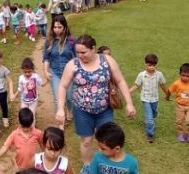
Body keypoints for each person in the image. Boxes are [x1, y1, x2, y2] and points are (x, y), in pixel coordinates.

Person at [55, 34, 135, 166]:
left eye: (83, 52)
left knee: (108, 140)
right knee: (86, 141)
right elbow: (63, 86)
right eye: (77, 52)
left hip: (105, 110)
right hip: (82, 111)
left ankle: (106, 165)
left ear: (93, 49)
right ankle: (88, 166)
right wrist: (60, 109)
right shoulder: (72, 65)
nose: (80, 55)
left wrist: (130, 104)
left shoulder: (107, 60)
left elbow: (120, 81)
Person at [129, 54, 168, 143]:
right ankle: (150, 135)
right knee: (150, 119)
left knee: (154, 114)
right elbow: (136, 85)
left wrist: (167, 94)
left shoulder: (159, 75)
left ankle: (148, 119)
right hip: (145, 99)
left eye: (154, 65)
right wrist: (128, 92)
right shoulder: (142, 75)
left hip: (155, 99)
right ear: (145, 64)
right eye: (149, 65)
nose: (151, 67)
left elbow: (162, 85)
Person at [43, 15, 75, 119]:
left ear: (65, 27)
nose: (57, 30)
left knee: (70, 97)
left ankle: (70, 110)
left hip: (69, 74)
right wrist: (46, 71)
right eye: (55, 27)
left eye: (59, 27)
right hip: (55, 72)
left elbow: (77, 58)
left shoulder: (71, 40)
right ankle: (60, 116)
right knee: (57, 97)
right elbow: (46, 58)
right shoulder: (49, 41)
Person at [165, 63, 189, 143]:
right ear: (180, 74)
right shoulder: (177, 83)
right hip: (179, 106)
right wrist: (167, 97)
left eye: (187, 76)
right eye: (183, 75)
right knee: (179, 121)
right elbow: (169, 90)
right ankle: (180, 134)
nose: (185, 78)